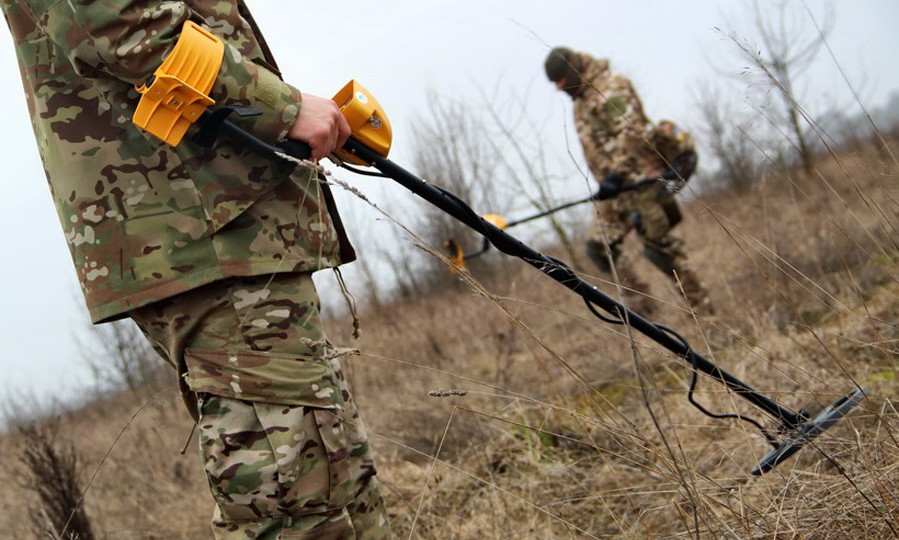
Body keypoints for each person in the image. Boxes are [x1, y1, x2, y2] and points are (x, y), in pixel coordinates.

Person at [1, 1, 391, 538]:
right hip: (202, 223)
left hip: (222, 223)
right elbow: (122, 21)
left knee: (335, 479)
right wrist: (280, 107)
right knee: (296, 500)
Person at [544, 46, 711, 313]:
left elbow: (632, 131)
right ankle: (642, 309)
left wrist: (615, 173)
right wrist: (606, 180)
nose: (558, 88)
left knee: (660, 249)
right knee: (599, 248)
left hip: (640, 182)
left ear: (572, 70)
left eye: (561, 81)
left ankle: (703, 311)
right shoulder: (580, 101)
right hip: (613, 192)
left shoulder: (609, 87)